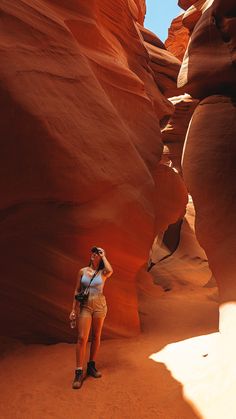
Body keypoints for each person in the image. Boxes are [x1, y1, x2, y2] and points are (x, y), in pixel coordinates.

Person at [69, 246, 113, 389]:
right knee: (82, 338)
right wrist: (73, 309)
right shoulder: (82, 271)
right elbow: (77, 289)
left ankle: (91, 365)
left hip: (100, 306)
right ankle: (79, 371)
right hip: (86, 306)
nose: (94, 254)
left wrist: (104, 255)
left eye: (97, 253)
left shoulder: (103, 273)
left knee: (96, 335)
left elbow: (110, 270)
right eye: (93, 252)